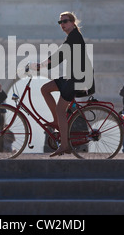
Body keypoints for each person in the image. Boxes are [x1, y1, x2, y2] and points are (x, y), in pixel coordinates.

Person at [33, 11, 94, 157]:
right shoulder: (71, 37)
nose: (63, 25)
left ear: (73, 22)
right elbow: (60, 57)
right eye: (60, 22)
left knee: (61, 109)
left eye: (65, 21)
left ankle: (65, 145)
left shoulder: (74, 37)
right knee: (45, 88)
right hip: (71, 76)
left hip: (78, 78)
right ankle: (57, 121)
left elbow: (59, 55)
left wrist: (40, 65)